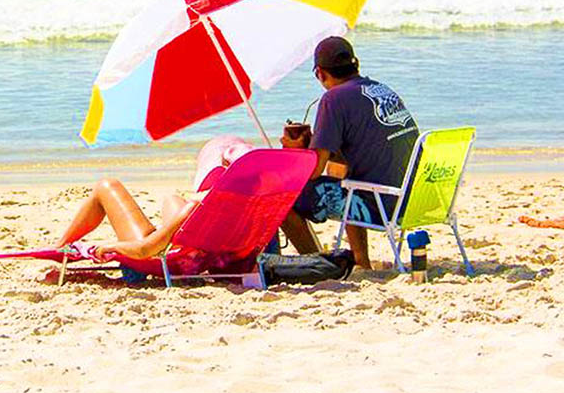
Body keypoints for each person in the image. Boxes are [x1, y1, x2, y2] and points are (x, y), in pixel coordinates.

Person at [279, 37, 420, 269]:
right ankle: (360, 260)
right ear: (357, 64)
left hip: (382, 205)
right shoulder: (381, 89)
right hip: (413, 200)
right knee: (348, 178)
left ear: (320, 74)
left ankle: (323, 265)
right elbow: (350, 159)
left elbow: (314, 171)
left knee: (284, 200)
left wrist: (298, 152)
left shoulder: (333, 99)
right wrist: (323, 144)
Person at [54, 137, 255, 261]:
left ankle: (59, 247)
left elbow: (144, 251)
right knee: (172, 199)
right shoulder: (257, 207)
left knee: (107, 186)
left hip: (174, 260)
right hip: (215, 257)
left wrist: (110, 246)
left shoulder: (199, 206)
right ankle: (168, 233)